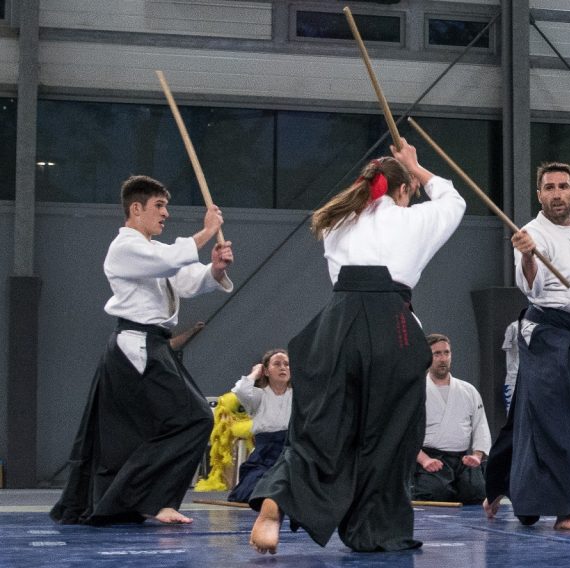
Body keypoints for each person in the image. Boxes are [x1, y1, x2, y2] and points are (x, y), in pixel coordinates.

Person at [248, 139, 466, 554]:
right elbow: (452, 200)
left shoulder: (337, 222)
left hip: (335, 326)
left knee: (321, 428)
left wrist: (399, 170)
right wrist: (417, 166)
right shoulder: (413, 221)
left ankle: (276, 500)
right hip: (391, 327)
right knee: (389, 436)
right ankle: (374, 531)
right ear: (402, 190)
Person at [51, 175, 234, 525]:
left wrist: (214, 269)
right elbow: (167, 263)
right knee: (194, 417)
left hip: (154, 345)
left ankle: (141, 500)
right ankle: (158, 500)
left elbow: (184, 280)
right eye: (159, 206)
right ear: (136, 209)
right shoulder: (125, 248)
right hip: (136, 345)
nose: (165, 214)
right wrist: (207, 231)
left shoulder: (154, 251)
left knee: (146, 430)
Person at [484, 162, 570, 530]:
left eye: (563, 186)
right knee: (565, 416)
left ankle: (501, 486)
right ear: (539, 195)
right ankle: (568, 511)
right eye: (549, 187)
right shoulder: (531, 234)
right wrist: (528, 255)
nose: (557, 193)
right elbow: (530, 286)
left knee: (533, 414)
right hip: (546, 332)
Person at [412, 334, 491, 504]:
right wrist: (424, 460)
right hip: (430, 458)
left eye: (446, 353)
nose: (443, 359)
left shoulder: (468, 390)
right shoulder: (417, 391)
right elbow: (405, 433)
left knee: (478, 493)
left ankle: (458, 485)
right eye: (437, 354)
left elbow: (480, 427)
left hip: (462, 460)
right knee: (434, 493)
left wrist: (477, 456)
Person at [227, 349, 292, 503]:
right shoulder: (258, 396)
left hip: (291, 451)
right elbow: (241, 390)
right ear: (266, 371)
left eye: (287, 364)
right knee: (254, 488)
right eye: (277, 364)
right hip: (265, 452)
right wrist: (255, 372)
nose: (283, 368)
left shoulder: (298, 395)